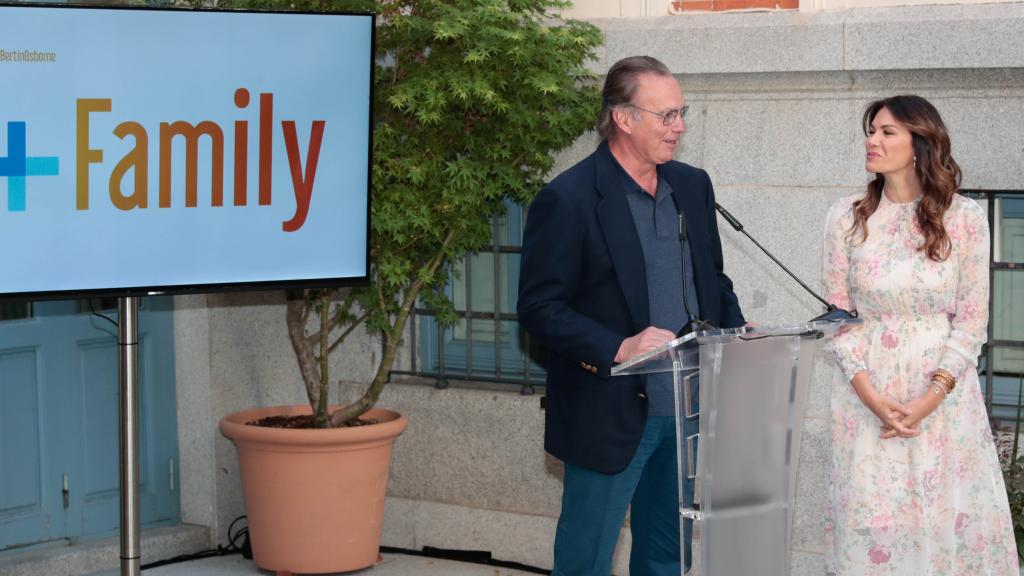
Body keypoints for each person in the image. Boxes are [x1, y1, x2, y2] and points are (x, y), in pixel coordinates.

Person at [517, 55, 745, 576]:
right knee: (586, 560)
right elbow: (538, 308)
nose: (679, 127)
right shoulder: (569, 198)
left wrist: (737, 329)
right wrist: (618, 347)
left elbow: (713, 279)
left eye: (681, 112)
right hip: (608, 411)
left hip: (685, 408)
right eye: (666, 115)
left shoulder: (692, 185)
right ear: (623, 118)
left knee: (668, 557)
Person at [822, 94, 1019, 575]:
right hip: (866, 398)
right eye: (871, 130)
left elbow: (972, 322)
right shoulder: (845, 218)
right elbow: (836, 320)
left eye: (888, 131)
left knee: (943, 526)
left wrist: (930, 398)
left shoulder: (965, 218)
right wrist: (871, 396)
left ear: (920, 144)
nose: (873, 140)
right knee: (873, 529)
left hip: (943, 402)